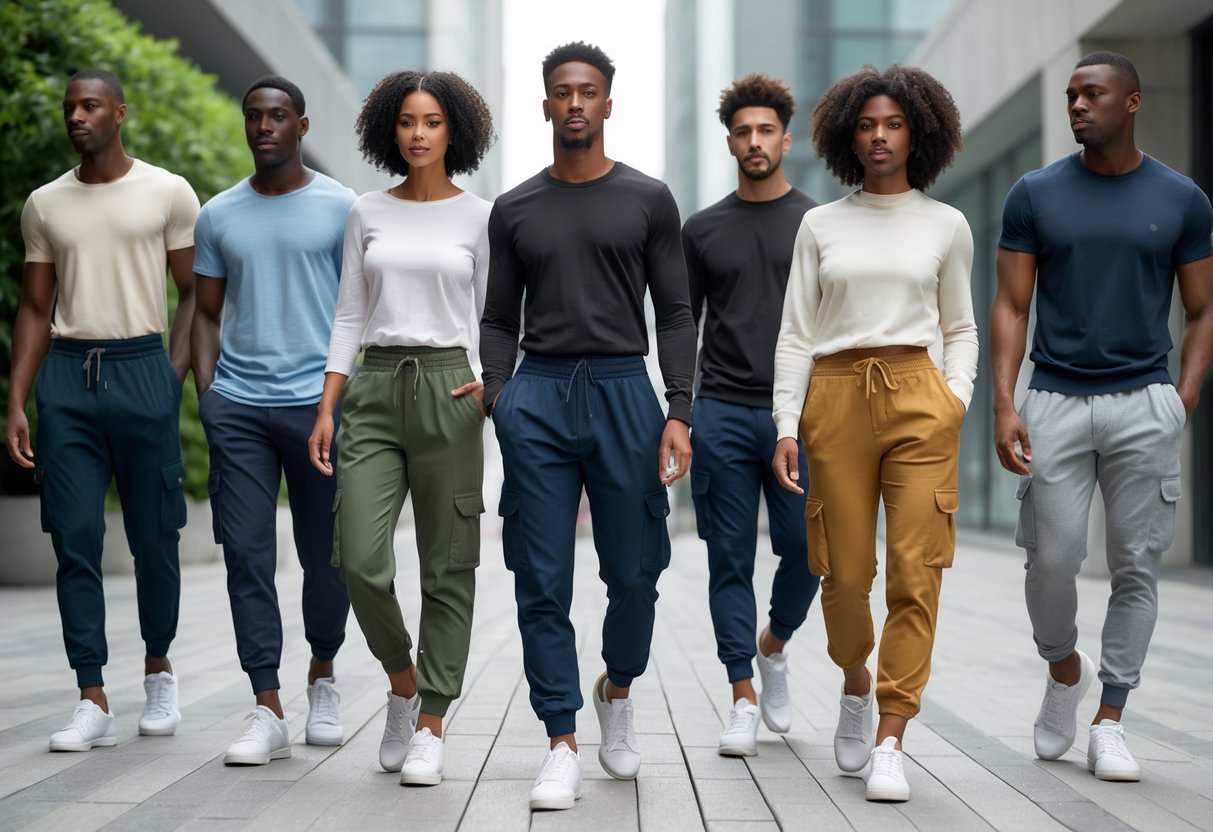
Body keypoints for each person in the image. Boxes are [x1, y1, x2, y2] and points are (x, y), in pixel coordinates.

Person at [480, 41, 697, 810]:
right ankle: (561, 741)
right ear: (545, 104)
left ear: (607, 102)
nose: (574, 102)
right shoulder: (514, 208)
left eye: (588, 91)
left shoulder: (648, 199)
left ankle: (618, 688)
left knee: (635, 572)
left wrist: (678, 410)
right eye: (562, 91)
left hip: (623, 390)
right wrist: (500, 398)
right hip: (537, 393)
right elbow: (498, 317)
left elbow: (675, 312)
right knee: (540, 578)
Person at [991, 51, 1213, 782]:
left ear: (1133, 101)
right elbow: (1011, 304)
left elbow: (1203, 309)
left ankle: (1110, 719)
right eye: (1070, 96)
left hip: (1143, 403)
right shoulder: (1034, 193)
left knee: (1135, 566)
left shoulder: (1182, 199)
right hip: (1053, 400)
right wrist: (1004, 402)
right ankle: (1063, 670)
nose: (1078, 106)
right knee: (1051, 559)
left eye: (1093, 94)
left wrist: (1181, 397)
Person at [772, 64, 977, 802]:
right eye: (867, 125)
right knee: (843, 573)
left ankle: (892, 735)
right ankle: (855, 679)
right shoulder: (819, 225)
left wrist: (953, 399)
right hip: (833, 398)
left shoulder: (946, 224)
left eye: (893, 124)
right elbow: (796, 333)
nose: (880, 136)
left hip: (919, 397)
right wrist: (786, 423)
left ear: (917, 134)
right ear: (847, 137)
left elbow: (960, 326)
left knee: (916, 572)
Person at [308, 69, 495, 787]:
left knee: (448, 565)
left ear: (455, 132)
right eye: (408, 121)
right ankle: (403, 681)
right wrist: (328, 406)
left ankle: (431, 724)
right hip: (375, 387)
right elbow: (349, 314)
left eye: (433, 122)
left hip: (451, 386)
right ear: (390, 129)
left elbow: (493, 316)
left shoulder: (480, 217)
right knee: (358, 557)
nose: (419, 134)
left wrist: (490, 382)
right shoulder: (366, 210)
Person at [7, 70, 199, 751]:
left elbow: (193, 294)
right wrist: (17, 401)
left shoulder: (168, 192)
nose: (76, 116)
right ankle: (91, 694)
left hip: (142, 368)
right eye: (69, 107)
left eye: (89, 106)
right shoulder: (45, 204)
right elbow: (36, 307)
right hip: (67, 379)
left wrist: (170, 376)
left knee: (156, 538)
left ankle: (158, 670)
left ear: (119, 113)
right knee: (74, 539)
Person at [191, 75, 354, 766]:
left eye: (278, 116)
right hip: (240, 409)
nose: (264, 126)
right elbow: (203, 313)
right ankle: (266, 705)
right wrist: (210, 396)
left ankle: (323, 672)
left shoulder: (343, 208)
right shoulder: (217, 215)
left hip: (319, 409)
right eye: (254, 116)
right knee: (247, 554)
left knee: (329, 558)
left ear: (301, 125)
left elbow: (357, 312)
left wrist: (339, 400)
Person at [682, 74, 820, 757]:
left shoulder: (818, 222)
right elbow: (682, 325)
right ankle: (741, 694)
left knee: (808, 550)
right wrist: (680, 414)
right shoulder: (702, 229)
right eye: (743, 132)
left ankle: (774, 644)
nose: (755, 141)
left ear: (785, 140)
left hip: (802, 414)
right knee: (728, 558)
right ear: (730, 142)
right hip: (723, 412)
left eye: (766, 130)